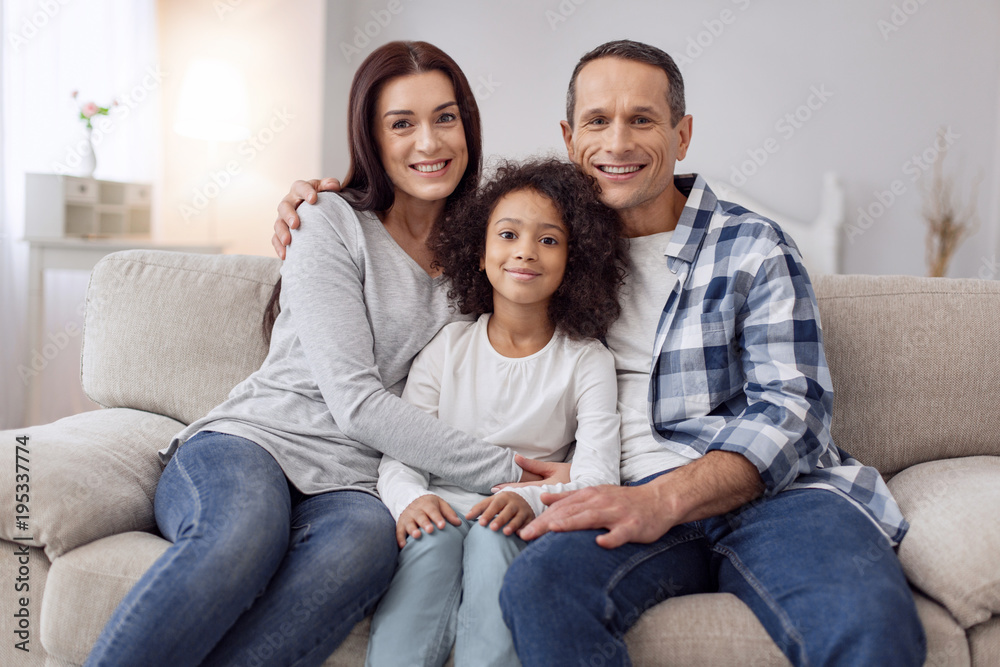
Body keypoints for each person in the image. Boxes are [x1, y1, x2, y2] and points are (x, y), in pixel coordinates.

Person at [273, 40, 925, 667]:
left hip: (775, 496)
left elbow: (794, 411)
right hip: (616, 498)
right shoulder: (549, 250)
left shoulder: (752, 246)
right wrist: (326, 199)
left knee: (867, 623)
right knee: (540, 588)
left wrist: (663, 498)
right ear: (569, 137)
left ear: (682, 134)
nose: (616, 143)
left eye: (641, 119)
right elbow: (437, 238)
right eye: (598, 121)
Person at [85, 41, 563, 667]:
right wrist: (508, 467)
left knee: (365, 550)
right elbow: (356, 403)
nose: (429, 142)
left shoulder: (490, 248)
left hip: (359, 484)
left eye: (446, 118)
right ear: (371, 137)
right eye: (402, 124)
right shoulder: (328, 220)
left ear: (468, 126)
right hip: (252, 442)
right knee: (243, 536)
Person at [366, 158, 625, 667]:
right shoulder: (447, 346)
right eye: (508, 234)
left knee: (492, 536)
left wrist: (532, 499)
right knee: (430, 543)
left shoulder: (588, 361)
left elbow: (598, 477)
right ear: (480, 255)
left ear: (573, 261)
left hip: (519, 518)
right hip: (438, 507)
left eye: (549, 240)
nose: (526, 251)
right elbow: (402, 452)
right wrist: (409, 503)